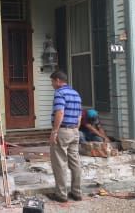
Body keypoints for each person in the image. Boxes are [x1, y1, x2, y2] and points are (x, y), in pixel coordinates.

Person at [48, 71, 83, 203]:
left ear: (58, 80)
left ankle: (61, 195)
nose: (52, 84)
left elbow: (60, 112)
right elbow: (80, 114)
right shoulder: (76, 94)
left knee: (60, 163)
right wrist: (76, 129)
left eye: (52, 81)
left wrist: (54, 131)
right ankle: (77, 193)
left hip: (62, 131)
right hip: (74, 130)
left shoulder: (60, 93)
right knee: (75, 162)